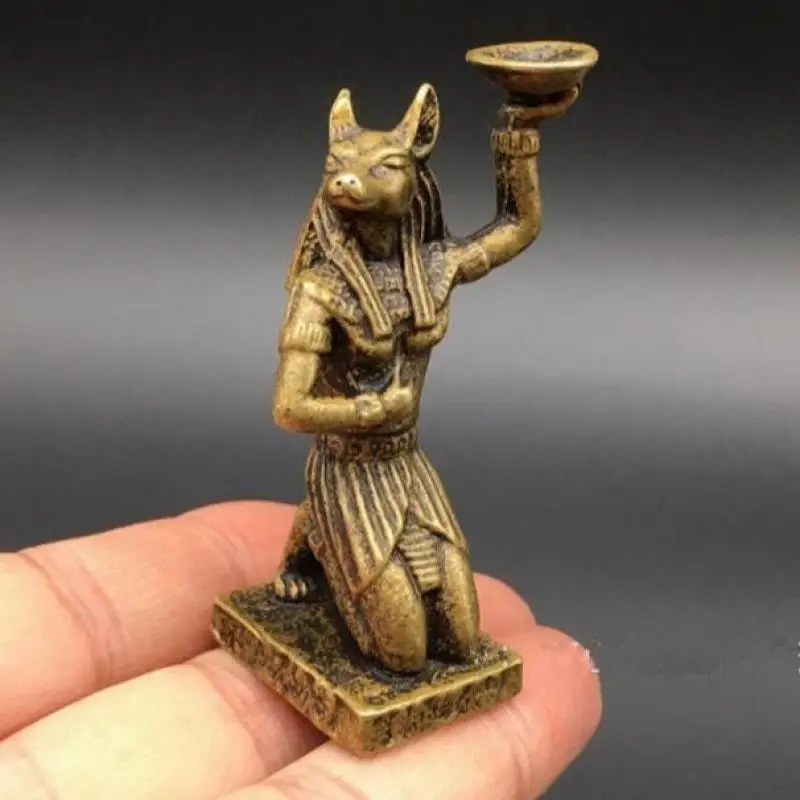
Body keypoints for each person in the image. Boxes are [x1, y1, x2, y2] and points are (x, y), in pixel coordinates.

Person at [0, 500, 601, 798]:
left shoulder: (415, 289)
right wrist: (366, 411)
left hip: (406, 475)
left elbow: (460, 287)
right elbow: (292, 403)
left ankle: (343, 571)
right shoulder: (323, 300)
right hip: (348, 475)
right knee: (403, 656)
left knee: (461, 639)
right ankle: (325, 564)